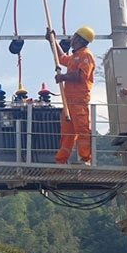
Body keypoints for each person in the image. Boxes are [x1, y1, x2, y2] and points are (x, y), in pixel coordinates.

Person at [47, 26, 96, 165]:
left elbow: (81, 75)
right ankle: (61, 161)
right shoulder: (75, 56)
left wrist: (63, 77)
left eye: (74, 36)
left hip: (79, 99)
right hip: (69, 101)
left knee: (82, 129)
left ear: (80, 39)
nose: (72, 39)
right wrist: (52, 41)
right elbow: (61, 58)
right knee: (67, 134)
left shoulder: (86, 55)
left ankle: (85, 159)